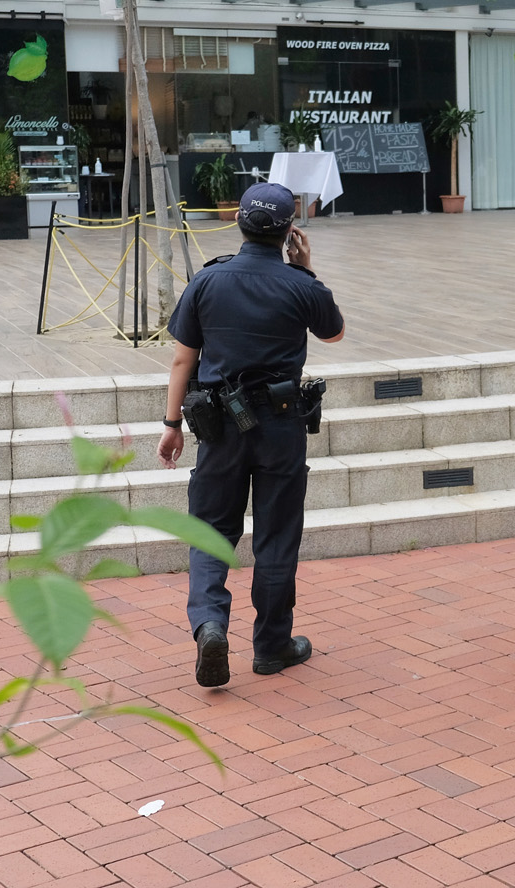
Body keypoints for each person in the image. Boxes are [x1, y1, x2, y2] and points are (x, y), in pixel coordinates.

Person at [156, 183, 345, 688]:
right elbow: (334, 332)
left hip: (219, 427)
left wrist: (172, 425)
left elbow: (182, 359)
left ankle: (211, 624)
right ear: (289, 232)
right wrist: (305, 267)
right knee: (277, 535)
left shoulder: (208, 281)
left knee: (210, 532)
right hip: (281, 426)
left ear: (237, 223)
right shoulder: (300, 285)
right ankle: (271, 646)